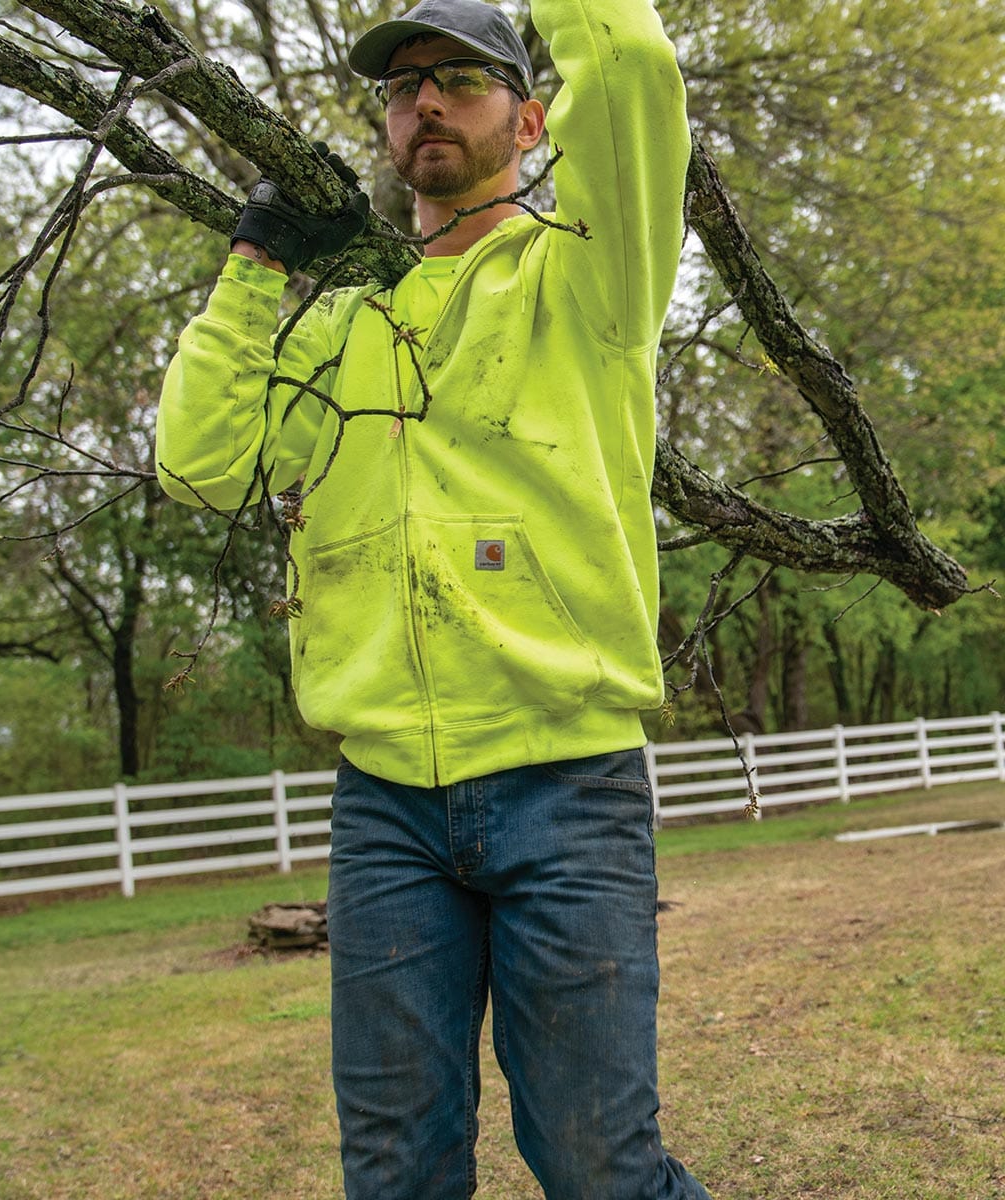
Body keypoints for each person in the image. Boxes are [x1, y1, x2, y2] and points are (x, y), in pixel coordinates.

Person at [157, 0, 711, 1195]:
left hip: (566, 782)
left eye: (461, 77)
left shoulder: (590, 282)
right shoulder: (346, 325)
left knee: (600, 1165)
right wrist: (256, 266)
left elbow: (634, 68)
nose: (427, 102)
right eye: (403, 87)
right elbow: (201, 466)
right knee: (395, 1170)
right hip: (388, 806)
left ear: (530, 115)